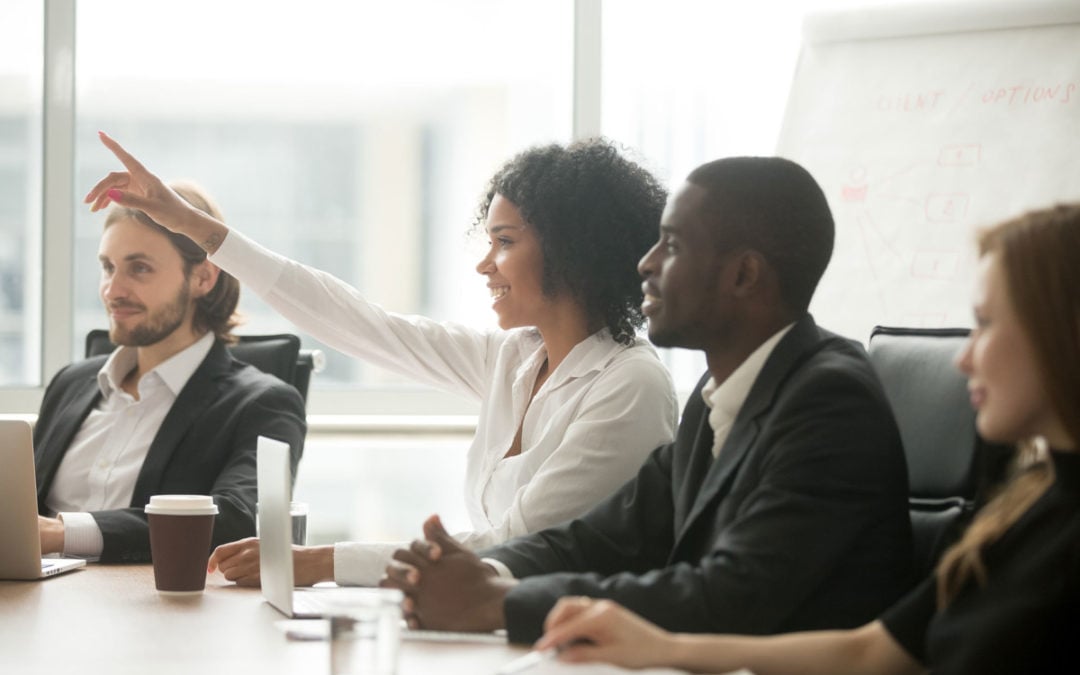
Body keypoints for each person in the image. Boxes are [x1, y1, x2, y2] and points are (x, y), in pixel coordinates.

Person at [85, 133, 678, 585]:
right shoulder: (515, 359)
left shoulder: (630, 384)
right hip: (491, 627)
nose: (484, 264)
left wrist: (320, 562)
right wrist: (193, 226)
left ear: (574, 250)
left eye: (505, 242)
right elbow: (360, 325)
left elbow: (518, 546)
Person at [380, 156, 913, 643]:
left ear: (744, 275)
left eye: (673, 246)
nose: (645, 263)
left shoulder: (828, 402)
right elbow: (600, 538)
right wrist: (482, 572)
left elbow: (729, 595)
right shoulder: (716, 402)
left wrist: (503, 601)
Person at [533, 203, 1080, 674]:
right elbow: (874, 652)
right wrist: (662, 646)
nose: (964, 357)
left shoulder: (827, 397)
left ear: (1063, 330)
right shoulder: (1027, 505)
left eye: (986, 324)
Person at [36, 183, 306, 563]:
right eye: (108, 267)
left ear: (203, 278)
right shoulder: (72, 383)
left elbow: (237, 518)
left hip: (150, 607)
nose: (113, 290)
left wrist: (62, 533)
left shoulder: (262, 404)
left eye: (139, 268)